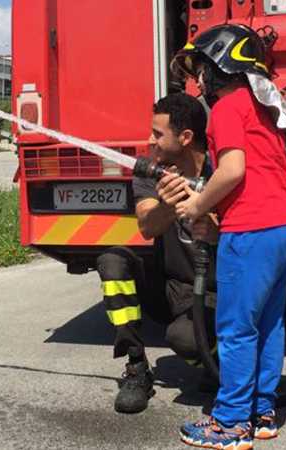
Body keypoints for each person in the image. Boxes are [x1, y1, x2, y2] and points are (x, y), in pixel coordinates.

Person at [171, 24, 286, 450]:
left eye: (200, 71)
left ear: (219, 67)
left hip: (254, 228)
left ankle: (230, 423)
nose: (198, 82)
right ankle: (261, 412)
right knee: (268, 323)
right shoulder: (262, 104)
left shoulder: (229, 107)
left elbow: (232, 172)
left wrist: (195, 205)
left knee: (235, 328)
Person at [97, 92, 220, 414]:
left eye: (157, 134)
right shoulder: (154, 173)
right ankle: (137, 369)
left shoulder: (222, 170)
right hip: (169, 285)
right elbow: (148, 226)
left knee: (184, 341)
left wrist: (213, 223)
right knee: (112, 261)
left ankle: (218, 362)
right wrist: (170, 204)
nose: (149, 141)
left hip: (214, 291)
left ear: (186, 137)